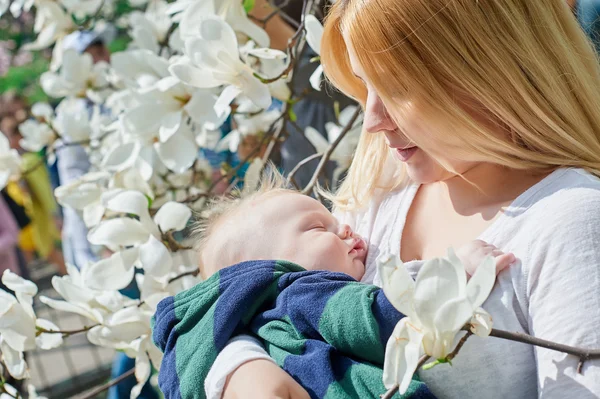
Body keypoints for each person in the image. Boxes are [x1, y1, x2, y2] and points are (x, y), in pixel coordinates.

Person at [205, 1, 600, 398]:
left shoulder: (569, 221)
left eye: (397, 88)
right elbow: (266, 310)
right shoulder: (376, 197)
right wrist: (241, 364)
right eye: (366, 85)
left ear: (488, 70)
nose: (372, 119)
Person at [153, 171, 514, 399]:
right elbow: (374, 317)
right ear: (266, 270)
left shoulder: (264, 329)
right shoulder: (298, 292)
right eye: (317, 227)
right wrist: (453, 273)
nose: (344, 228)